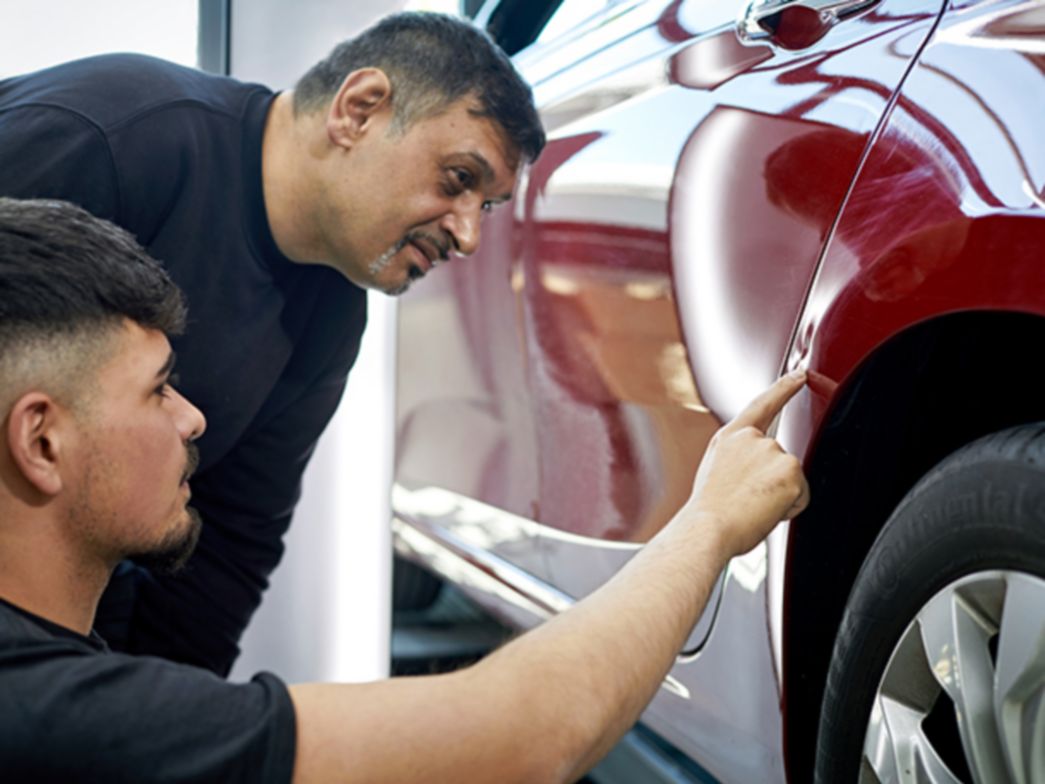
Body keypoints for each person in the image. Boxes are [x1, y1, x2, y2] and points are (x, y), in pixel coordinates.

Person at [0, 197, 809, 782]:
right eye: (157, 390)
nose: (193, 418)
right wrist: (708, 523)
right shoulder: (54, 717)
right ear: (42, 441)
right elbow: (530, 736)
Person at [0, 11, 544, 675]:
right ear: (358, 110)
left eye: (486, 206)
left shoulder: (331, 316)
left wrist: (163, 716)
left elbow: (225, 548)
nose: (468, 236)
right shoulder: (111, 137)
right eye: (458, 179)